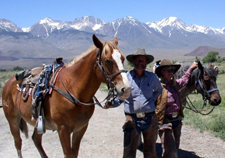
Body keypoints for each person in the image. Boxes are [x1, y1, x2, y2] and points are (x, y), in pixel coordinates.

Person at [104, 48, 163, 158]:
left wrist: (151, 100)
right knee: (129, 152)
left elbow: (159, 90)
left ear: (146, 63)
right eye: (138, 60)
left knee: (150, 151)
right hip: (132, 119)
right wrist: (112, 104)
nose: (140, 63)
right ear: (133, 62)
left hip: (150, 118)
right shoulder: (127, 78)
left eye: (143, 61)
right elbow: (121, 96)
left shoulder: (152, 77)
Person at [154, 59, 198, 158]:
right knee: (170, 151)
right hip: (165, 122)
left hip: (177, 121)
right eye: (168, 70)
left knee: (175, 147)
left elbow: (184, 79)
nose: (171, 72)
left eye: (173, 70)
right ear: (162, 72)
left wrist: (191, 68)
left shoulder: (175, 84)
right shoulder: (157, 87)